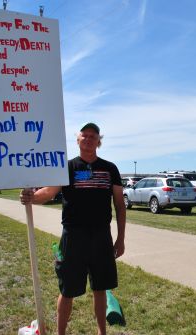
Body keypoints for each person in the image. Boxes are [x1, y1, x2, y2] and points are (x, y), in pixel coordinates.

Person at [20, 122, 126, 335]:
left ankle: (101, 332)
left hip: (101, 237)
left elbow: (120, 205)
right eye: (84, 136)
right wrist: (31, 197)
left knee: (100, 289)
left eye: (93, 136)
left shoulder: (110, 169)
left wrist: (120, 238)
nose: (88, 139)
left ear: (99, 142)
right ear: (77, 140)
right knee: (67, 290)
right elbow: (48, 193)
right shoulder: (66, 167)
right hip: (73, 237)